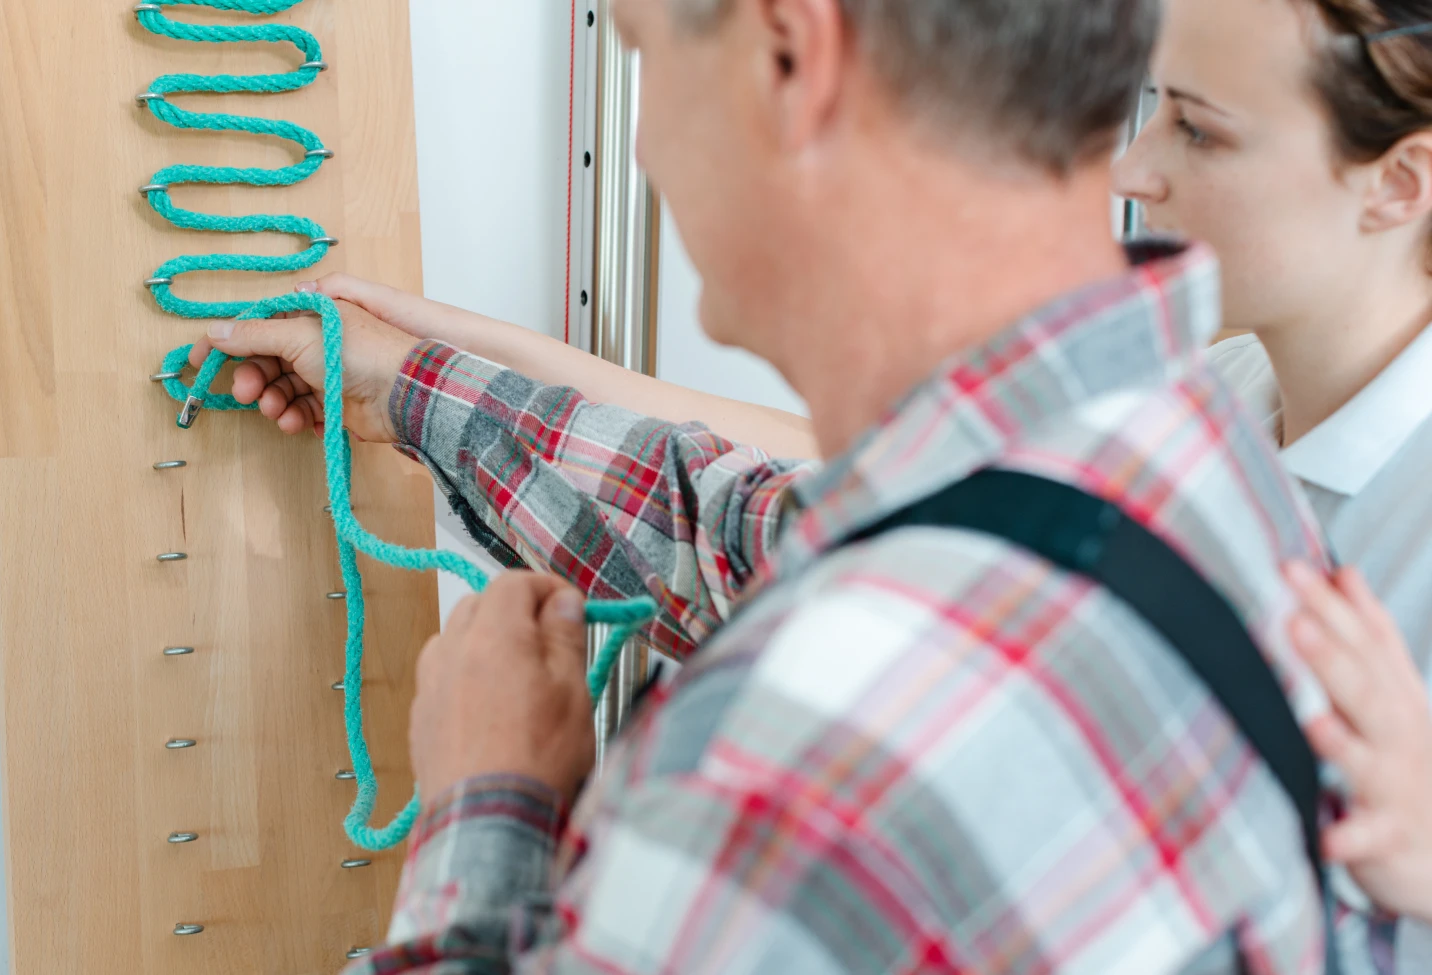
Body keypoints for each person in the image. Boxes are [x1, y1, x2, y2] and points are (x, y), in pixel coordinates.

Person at [200, 0, 1354, 970]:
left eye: (647, 53)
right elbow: (743, 532)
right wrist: (412, 389)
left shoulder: (785, 777)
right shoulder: (1193, 461)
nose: (642, 147)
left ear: (791, 59)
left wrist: (485, 799)